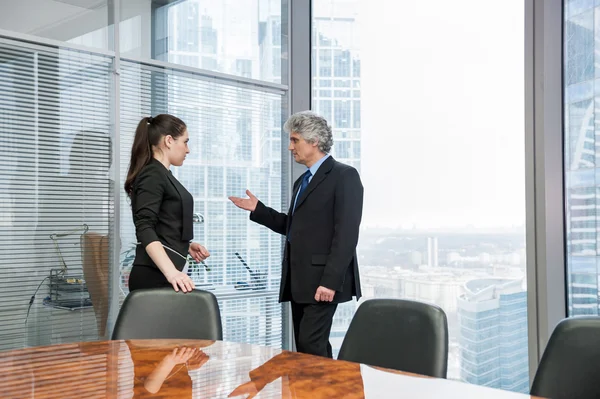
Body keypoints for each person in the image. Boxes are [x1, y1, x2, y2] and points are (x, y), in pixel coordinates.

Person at [229, 111, 364, 358]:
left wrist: (330, 281)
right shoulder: (302, 181)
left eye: (295, 140)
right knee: (309, 349)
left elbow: (346, 234)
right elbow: (295, 227)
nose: (290, 147)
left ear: (313, 141)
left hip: (323, 280)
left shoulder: (344, 176)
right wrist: (259, 210)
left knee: (310, 345)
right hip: (300, 280)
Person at [125, 114, 210, 293]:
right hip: (154, 276)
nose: (188, 150)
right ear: (169, 140)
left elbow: (163, 223)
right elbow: (145, 227)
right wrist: (171, 272)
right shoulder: (152, 174)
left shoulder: (162, 174)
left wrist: (185, 246)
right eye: (185, 142)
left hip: (163, 274)